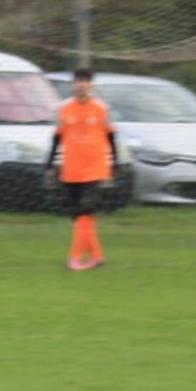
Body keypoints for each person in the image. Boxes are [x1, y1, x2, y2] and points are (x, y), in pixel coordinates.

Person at [47, 67, 116, 270]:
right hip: (72, 168)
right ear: (73, 85)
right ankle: (96, 255)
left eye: (85, 81)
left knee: (84, 207)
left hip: (95, 167)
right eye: (78, 81)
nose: (81, 85)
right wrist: (50, 162)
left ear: (91, 85)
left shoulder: (102, 108)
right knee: (80, 216)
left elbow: (111, 135)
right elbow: (57, 136)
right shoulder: (64, 109)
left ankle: (75, 257)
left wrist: (116, 161)